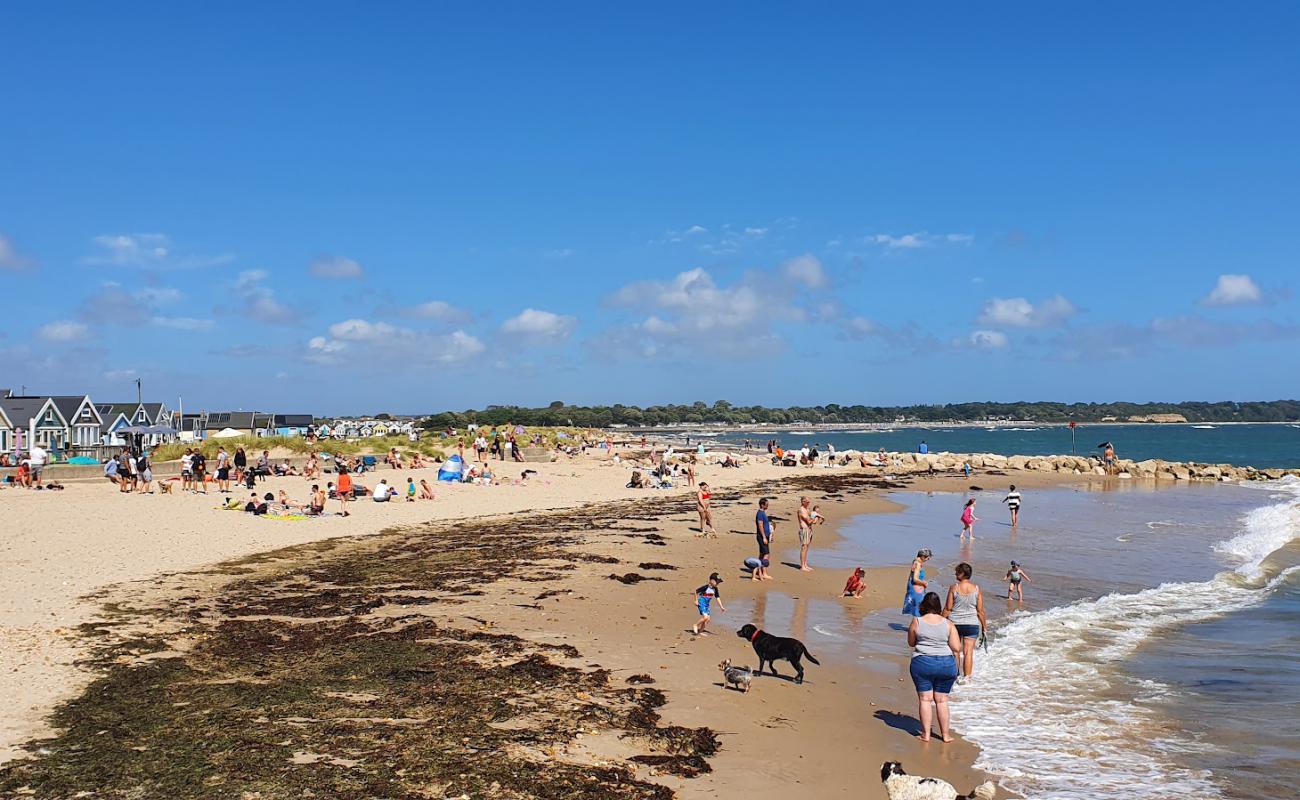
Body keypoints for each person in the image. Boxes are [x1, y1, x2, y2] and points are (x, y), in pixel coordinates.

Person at [907, 591, 961, 743]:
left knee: (925, 699)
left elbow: (911, 642)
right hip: (946, 663)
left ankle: (926, 735)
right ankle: (945, 735)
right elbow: (956, 647)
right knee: (942, 700)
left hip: (923, 662)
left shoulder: (917, 621)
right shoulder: (948, 624)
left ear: (924, 604)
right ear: (938, 606)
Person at [944, 562, 986, 685]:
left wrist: (939, 622)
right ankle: (967, 678)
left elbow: (947, 608)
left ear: (962, 574)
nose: (955, 574)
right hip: (972, 624)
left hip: (955, 623)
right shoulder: (977, 589)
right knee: (968, 652)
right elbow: (980, 611)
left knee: (955, 651)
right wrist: (984, 627)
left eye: (957, 572)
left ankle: (956, 675)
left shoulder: (954, 588)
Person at [902, 549, 932, 616]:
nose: (928, 560)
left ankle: (917, 624)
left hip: (914, 587)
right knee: (918, 609)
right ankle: (917, 625)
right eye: (928, 558)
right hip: (915, 589)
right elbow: (915, 579)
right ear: (923, 556)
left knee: (917, 608)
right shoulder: (918, 564)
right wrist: (924, 583)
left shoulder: (915, 561)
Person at [753, 498, 774, 581]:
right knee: (766, 554)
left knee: (762, 554)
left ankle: (759, 570)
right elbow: (760, 525)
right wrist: (764, 537)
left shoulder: (763, 513)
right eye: (766, 504)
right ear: (762, 505)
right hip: (762, 536)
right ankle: (764, 573)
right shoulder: (760, 514)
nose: (767, 506)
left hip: (765, 536)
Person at [797, 496, 815, 571]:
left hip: (809, 529)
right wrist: (815, 517)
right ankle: (802, 566)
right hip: (804, 529)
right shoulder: (801, 510)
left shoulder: (807, 509)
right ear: (803, 502)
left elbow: (811, 520)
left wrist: (813, 518)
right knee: (804, 547)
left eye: (809, 502)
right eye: (807, 502)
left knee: (807, 547)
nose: (808, 503)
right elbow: (809, 521)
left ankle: (805, 564)